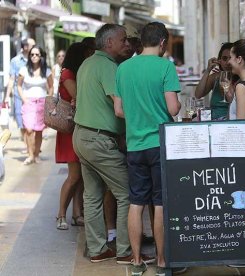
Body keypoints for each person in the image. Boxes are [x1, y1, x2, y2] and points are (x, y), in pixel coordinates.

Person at [114, 22, 182, 276]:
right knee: (161, 202)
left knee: (136, 202)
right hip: (160, 144)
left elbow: (119, 111)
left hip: (134, 145)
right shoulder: (165, 67)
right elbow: (173, 109)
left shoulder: (123, 68)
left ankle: (135, 261)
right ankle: (162, 261)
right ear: (163, 42)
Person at [72, 23, 132, 263]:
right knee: (128, 193)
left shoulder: (87, 63)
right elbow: (119, 108)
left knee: (93, 195)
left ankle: (97, 249)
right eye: (123, 40)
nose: (127, 44)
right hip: (98, 140)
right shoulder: (107, 66)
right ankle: (127, 250)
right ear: (109, 43)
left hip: (82, 135)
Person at [55, 42, 89, 230]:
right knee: (74, 175)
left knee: (81, 176)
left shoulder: (75, 73)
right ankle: (61, 214)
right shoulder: (68, 73)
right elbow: (78, 95)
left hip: (78, 126)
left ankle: (77, 213)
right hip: (70, 128)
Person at [17, 45, 52, 165]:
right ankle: (30, 155)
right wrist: (24, 99)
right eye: (32, 54)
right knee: (29, 129)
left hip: (42, 103)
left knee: (39, 131)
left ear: (41, 56)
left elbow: (51, 86)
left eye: (37, 54)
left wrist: (49, 99)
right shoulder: (24, 70)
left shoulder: (46, 71)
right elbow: (19, 86)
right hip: (29, 102)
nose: (34, 57)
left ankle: (36, 155)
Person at [4, 38, 35, 147]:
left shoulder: (36, 59)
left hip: (32, 95)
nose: (35, 48)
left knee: (33, 123)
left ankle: (32, 146)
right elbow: (12, 79)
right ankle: (28, 146)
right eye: (32, 45)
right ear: (25, 47)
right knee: (21, 122)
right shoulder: (15, 61)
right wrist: (7, 96)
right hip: (18, 95)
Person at [195, 42, 233, 120]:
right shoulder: (216, 77)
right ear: (219, 60)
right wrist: (208, 70)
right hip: (213, 121)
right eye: (224, 58)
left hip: (229, 122)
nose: (227, 62)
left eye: (231, 58)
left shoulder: (239, 78)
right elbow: (198, 95)